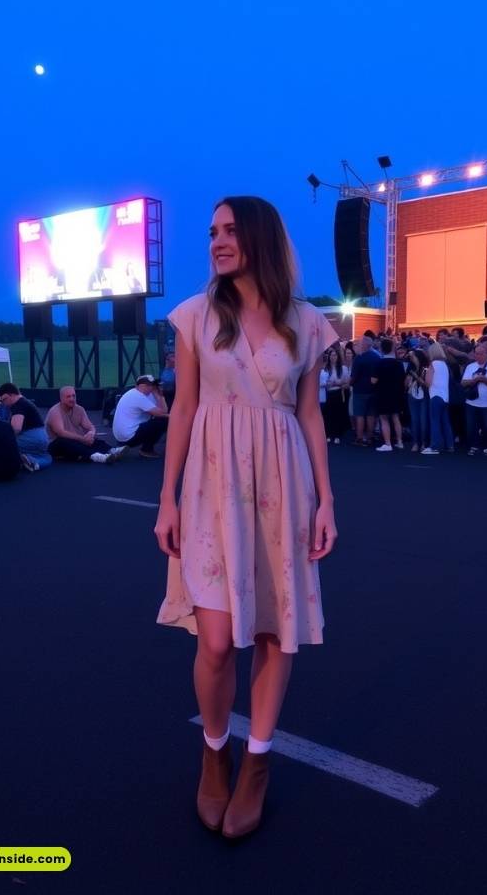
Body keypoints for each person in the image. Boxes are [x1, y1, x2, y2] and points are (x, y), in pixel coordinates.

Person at [154, 196, 338, 839]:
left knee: (271, 630)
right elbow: (182, 410)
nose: (216, 241)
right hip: (211, 486)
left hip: (285, 486)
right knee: (213, 640)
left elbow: (311, 415)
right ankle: (214, 750)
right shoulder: (196, 316)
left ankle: (256, 763)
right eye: (211, 232)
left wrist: (327, 500)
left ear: (260, 236)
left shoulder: (308, 322)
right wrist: (167, 497)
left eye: (230, 230)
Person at [45, 386, 127, 463]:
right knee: (63, 441)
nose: (72, 399)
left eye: (74, 396)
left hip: (74, 442)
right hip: (55, 446)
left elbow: (90, 426)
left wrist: (91, 433)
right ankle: (98, 457)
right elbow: (61, 433)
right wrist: (82, 439)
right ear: (61, 398)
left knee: (93, 440)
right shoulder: (55, 412)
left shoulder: (79, 409)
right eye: (68, 397)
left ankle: (112, 450)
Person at [0, 383, 52, 471]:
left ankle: (27, 460)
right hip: (42, 437)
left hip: (32, 437)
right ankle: (33, 461)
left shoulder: (19, 406)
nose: (4, 404)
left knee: (1, 446)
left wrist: (1, 439)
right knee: (45, 457)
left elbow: (16, 429)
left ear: (11, 394)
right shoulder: (25, 402)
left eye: (4, 400)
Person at [112, 374, 169, 458]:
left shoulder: (145, 394)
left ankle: (122, 446)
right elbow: (161, 413)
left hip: (123, 436)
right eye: (151, 386)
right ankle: (146, 450)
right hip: (128, 437)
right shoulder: (138, 396)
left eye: (154, 385)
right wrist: (160, 397)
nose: (153, 388)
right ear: (142, 386)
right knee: (161, 421)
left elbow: (163, 411)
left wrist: (159, 396)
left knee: (161, 419)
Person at [461, 342, 487, 455]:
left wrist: (484, 379)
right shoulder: (470, 367)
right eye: (476, 354)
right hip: (471, 402)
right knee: (471, 426)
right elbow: (463, 383)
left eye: (480, 354)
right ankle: (473, 445)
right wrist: (474, 380)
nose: (478, 356)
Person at [374, 338, 407, 452]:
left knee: (383, 418)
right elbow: (403, 379)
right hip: (396, 393)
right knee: (395, 417)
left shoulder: (379, 363)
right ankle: (399, 441)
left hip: (383, 394)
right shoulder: (399, 364)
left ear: (382, 349)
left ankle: (388, 444)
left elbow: (373, 380)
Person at [349, 334, 379, 446]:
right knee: (371, 415)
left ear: (365, 345)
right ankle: (370, 437)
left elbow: (354, 376)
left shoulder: (359, 358)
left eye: (360, 343)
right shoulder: (377, 357)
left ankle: (360, 438)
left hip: (360, 390)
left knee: (360, 415)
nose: (359, 345)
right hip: (373, 390)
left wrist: (349, 384)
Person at [424, 342, 454, 454]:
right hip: (445, 397)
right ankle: (449, 445)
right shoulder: (444, 365)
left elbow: (428, 382)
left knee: (435, 421)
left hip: (435, 396)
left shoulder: (433, 364)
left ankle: (434, 446)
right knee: (445, 422)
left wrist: (425, 373)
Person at [321, 346, 349, 443]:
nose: (333, 357)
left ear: (338, 357)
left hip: (338, 392)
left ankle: (337, 435)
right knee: (328, 414)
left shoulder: (342, 368)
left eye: (335, 355)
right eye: (331, 355)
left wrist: (337, 383)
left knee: (338, 414)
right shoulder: (325, 368)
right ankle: (328, 434)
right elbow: (322, 381)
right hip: (328, 393)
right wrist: (328, 383)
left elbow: (346, 382)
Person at [405, 349, 429, 453]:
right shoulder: (410, 368)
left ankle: (423, 443)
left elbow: (426, 384)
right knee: (414, 420)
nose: (411, 358)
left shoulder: (426, 368)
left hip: (423, 396)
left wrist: (415, 376)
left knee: (423, 420)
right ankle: (415, 443)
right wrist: (408, 380)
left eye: (413, 356)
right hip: (412, 395)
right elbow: (405, 384)